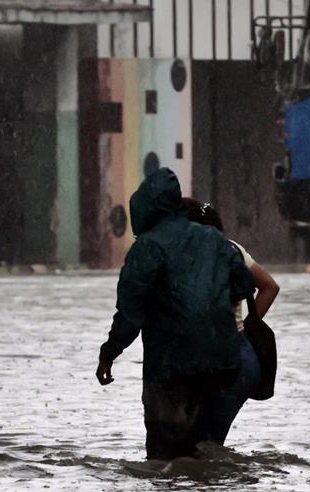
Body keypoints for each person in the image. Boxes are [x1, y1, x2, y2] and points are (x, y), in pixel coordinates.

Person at [95, 168, 256, 461]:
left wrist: (109, 354)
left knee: (164, 454)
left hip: (171, 366)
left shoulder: (147, 247)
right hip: (222, 363)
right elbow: (245, 284)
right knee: (203, 448)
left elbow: (131, 312)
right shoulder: (213, 238)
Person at [185, 199, 279, 448]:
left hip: (213, 361)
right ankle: (226, 483)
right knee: (209, 446)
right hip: (244, 358)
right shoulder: (233, 249)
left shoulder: (187, 255)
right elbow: (269, 287)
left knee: (193, 449)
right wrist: (245, 329)